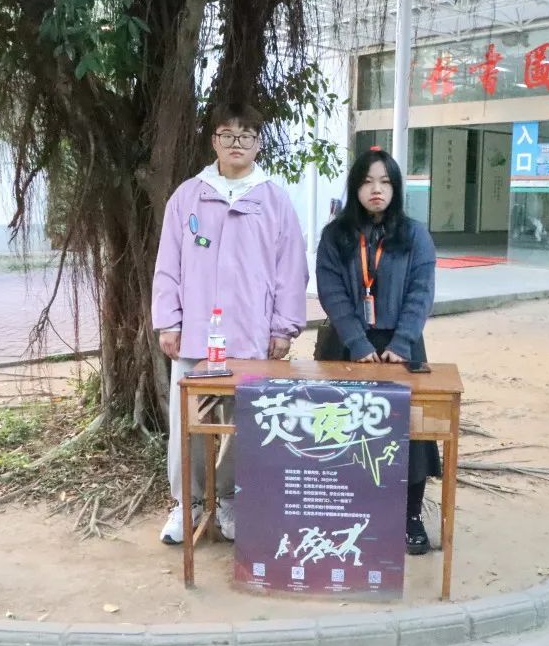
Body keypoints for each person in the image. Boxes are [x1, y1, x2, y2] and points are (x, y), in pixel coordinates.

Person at [151, 102, 308, 545]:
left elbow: (290, 268)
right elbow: (168, 264)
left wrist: (283, 327)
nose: (236, 143)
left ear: (258, 144)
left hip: (251, 337)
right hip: (196, 336)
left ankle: (230, 499)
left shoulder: (274, 199)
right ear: (214, 141)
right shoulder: (188, 196)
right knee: (188, 425)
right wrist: (169, 321)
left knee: (247, 424)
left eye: (246, 136)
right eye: (227, 135)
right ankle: (188, 502)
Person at [314, 148, 439, 556]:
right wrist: (358, 342)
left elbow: (421, 291)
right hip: (347, 347)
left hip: (402, 350)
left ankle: (410, 516)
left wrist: (401, 343)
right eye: (367, 182)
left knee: (411, 434)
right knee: (343, 432)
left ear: (396, 188)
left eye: (385, 182)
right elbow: (331, 290)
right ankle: (347, 512)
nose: (376, 190)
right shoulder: (336, 235)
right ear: (355, 187)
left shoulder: (415, 235)